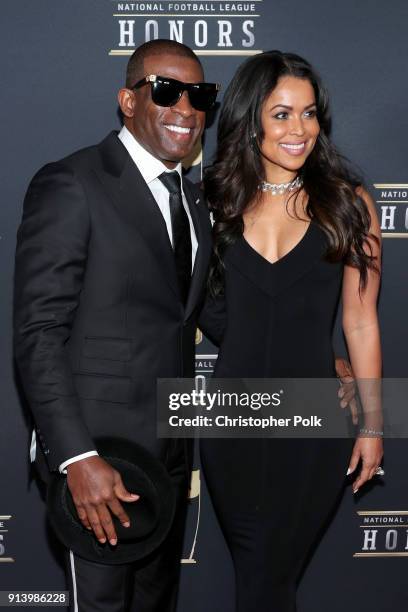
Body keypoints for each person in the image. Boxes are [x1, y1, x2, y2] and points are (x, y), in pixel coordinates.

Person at [13, 39, 218, 611]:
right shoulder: (72, 183)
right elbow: (38, 331)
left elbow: (198, 311)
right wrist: (76, 458)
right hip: (99, 458)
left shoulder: (194, 200)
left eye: (199, 95)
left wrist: (318, 360)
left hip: (172, 456)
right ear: (128, 100)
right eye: (167, 91)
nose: (186, 108)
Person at [199, 50, 383, 612]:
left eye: (309, 113)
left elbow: (360, 320)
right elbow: (188, 307)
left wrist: (374, 424)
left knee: (270, 578)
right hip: (234, 421)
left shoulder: (350, 205)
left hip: (314, 426)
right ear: (250, 117)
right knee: (261, 575)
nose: (299, 129)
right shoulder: (211, 202)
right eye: (281, 114)